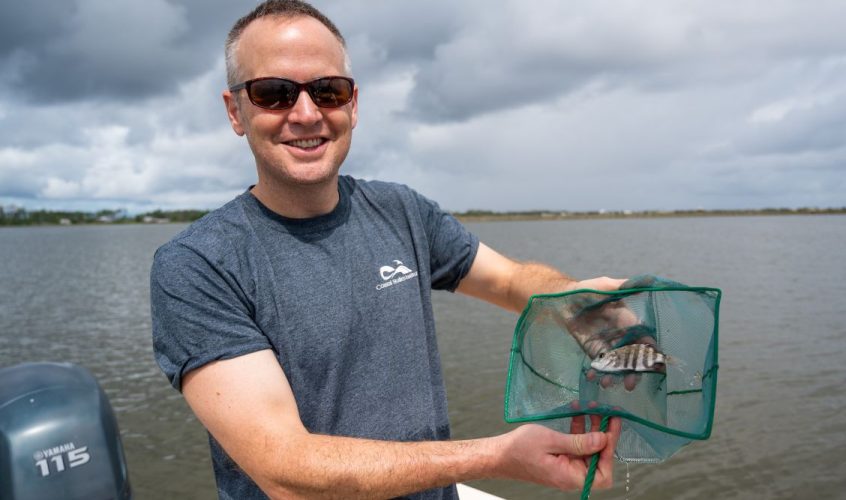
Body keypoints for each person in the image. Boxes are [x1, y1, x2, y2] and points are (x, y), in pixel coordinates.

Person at [151, 1, 624, 498]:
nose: (306, 113)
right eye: (275, 93)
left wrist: (574, 299)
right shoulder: (197, 265)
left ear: (353, 104)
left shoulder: (400, 211)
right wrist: (499, 456)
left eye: (327, 91)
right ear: (235, 111)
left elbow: (508, 281)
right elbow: (286, 469)